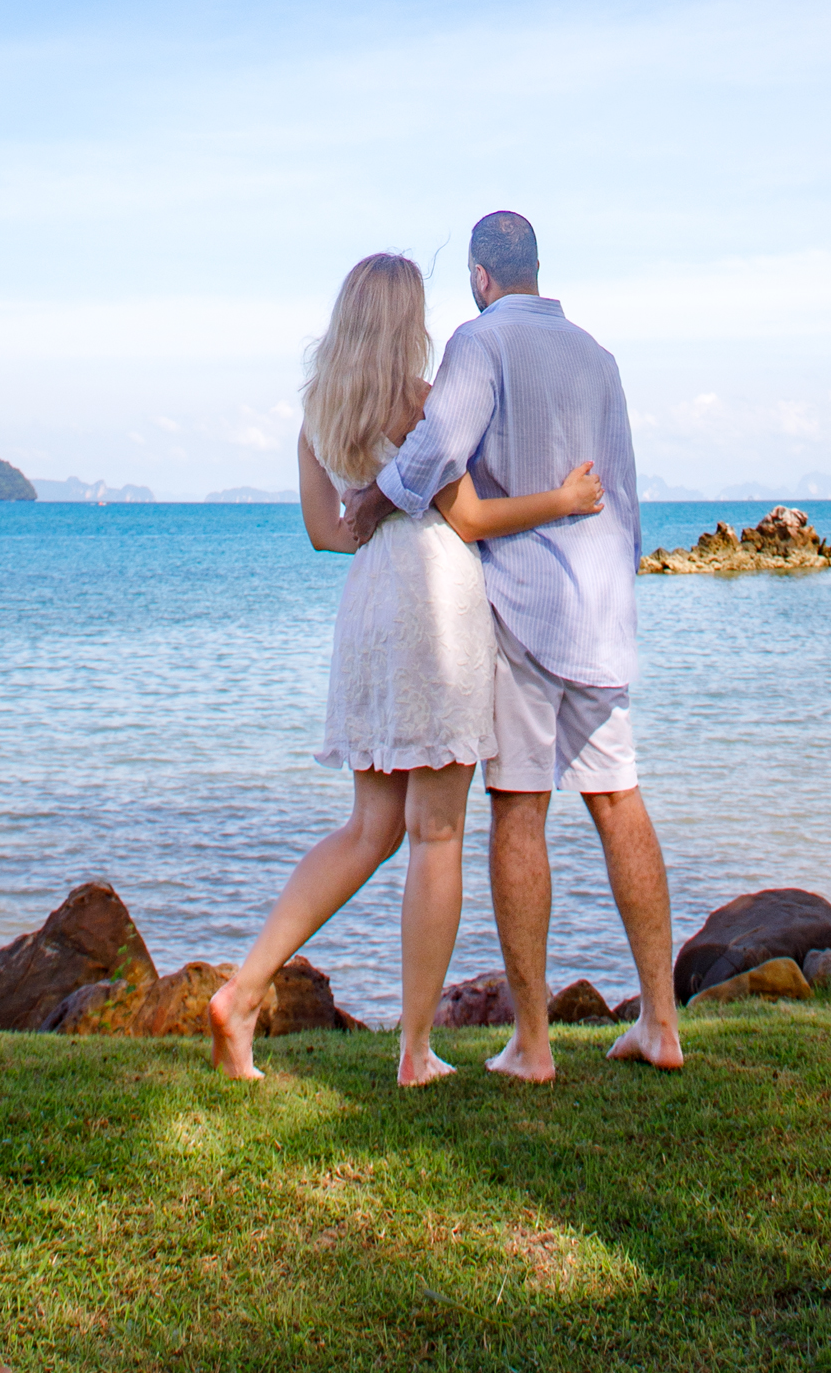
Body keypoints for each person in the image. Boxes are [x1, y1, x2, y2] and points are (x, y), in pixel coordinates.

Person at [208, 251, 604, 1086]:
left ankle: (243, 992)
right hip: (434, 606)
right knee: (437, 832)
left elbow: (328, 531)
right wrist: (562, 503)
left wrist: (376, 521)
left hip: (370, 610)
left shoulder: (318, 410)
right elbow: (471, 518)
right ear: (406, 320)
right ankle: (415, 1051)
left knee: (367, 829)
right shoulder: (422, 403)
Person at [344, 208, 683, 1077]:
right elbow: (627, 494)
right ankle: (662, 1024)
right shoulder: (599, 358)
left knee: (520, 812)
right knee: (619, 802)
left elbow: (434, 452)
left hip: (528, 609)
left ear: (482, 277)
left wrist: (374, 499)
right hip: (602, 612)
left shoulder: (481, 342)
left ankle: (533, 1043)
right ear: (535, 267)